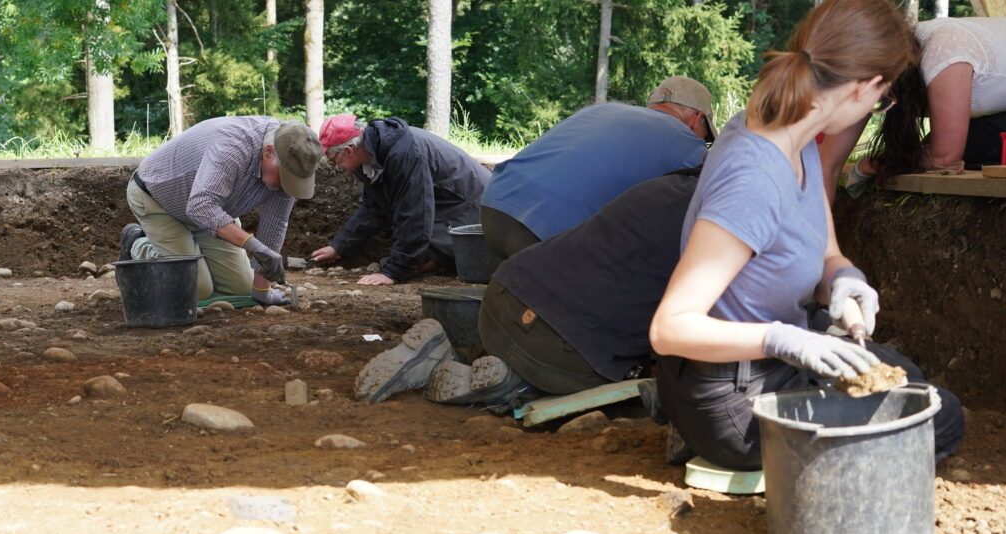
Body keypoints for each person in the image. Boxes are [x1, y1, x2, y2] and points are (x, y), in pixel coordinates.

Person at [648, 0, 963, 472]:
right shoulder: (754, 177)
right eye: (884, 100)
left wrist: (844, 279)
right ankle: (701, 432)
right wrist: (787, 341)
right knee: (939, 418)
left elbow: (826, 254)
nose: (876, 107)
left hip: (761, 366)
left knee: (905, 376)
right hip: (732, 398)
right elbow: (669, 328)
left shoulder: (797, 138)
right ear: (866, 87)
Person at [353, 169, 699, 404]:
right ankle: (513, 386)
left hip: (504, 292)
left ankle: (452, 352)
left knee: (540, 329)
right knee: (611, 382)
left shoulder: (665, 184)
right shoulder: (721, 226)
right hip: (565, 349)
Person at [477, 76, 714, 260]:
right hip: (549, 235)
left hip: (494, 208)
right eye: (707, 135)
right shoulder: (688, 143)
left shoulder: (603, 110)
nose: (704, 141)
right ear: (697, 118)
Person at [121, 116, 323, 305]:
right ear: (268, 152)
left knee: (242, 288)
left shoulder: (290, 164)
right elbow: (201, 206)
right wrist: (254, 246)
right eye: (285, 176)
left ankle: (191, 258)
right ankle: (137, 243)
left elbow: (275, 225)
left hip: (211, 213)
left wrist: (261, 290)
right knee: (196, 288)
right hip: (159, 199)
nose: (287, 185)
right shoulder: (233, 148)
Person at [821, 16, 1006, 193]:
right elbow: (826, 163)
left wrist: (874, 164)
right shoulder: (883, 57)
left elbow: (944, 158)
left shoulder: (943, 55)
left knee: (972, 145)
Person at [306, 114, 489, 286]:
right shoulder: (370, 156)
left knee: (419, 262)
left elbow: (415, 212)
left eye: (332, 159)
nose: (334, 165)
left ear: (348, 150)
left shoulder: (404, 155)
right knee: (414, 255)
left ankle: (441, 258)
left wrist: (394, 272)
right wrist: (339, 247)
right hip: (445, 201)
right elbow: (374, 208)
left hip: (475, 206)